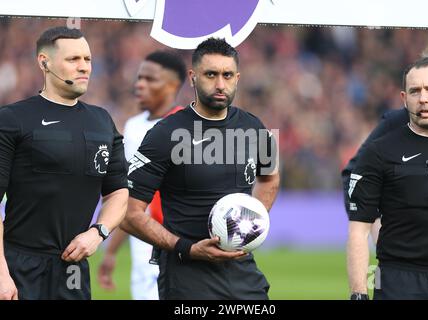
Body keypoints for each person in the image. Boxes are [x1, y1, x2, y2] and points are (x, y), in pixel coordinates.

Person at [121, 38, 280, 300]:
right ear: (193, 77)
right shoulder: (165, 133)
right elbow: (128, 213)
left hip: (242, 272)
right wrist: (187, 248)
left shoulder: (254, 127)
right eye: (211, 74)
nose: (220, 84)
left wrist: (250, 225)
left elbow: (270, 177)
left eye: (227, 75)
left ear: (237, 77)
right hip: (187, 276)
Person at [0, 26, 128, 300]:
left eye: (88, 59)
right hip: (18, 266)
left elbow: (118, 192)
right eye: (74, 60)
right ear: (44, 63)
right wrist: (1, 274)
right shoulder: (12, 119)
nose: (85, 67)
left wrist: (98, 233)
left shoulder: (102, 121)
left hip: (73, 270)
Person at [347, 57, 428, 299]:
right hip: (396, 279)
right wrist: (358, 294)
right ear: (404, 99)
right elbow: (359, 230)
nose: (423, 98)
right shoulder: (378, 152)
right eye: (415, 91)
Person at [97, 51, 186, 300]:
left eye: (149, 79)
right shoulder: (134, 126)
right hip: (140, 238)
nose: (139, 85)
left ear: (173, 85)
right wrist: (111, 251)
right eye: (139, 78)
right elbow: (128, 194)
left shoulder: (187, 128)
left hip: (171, 239)